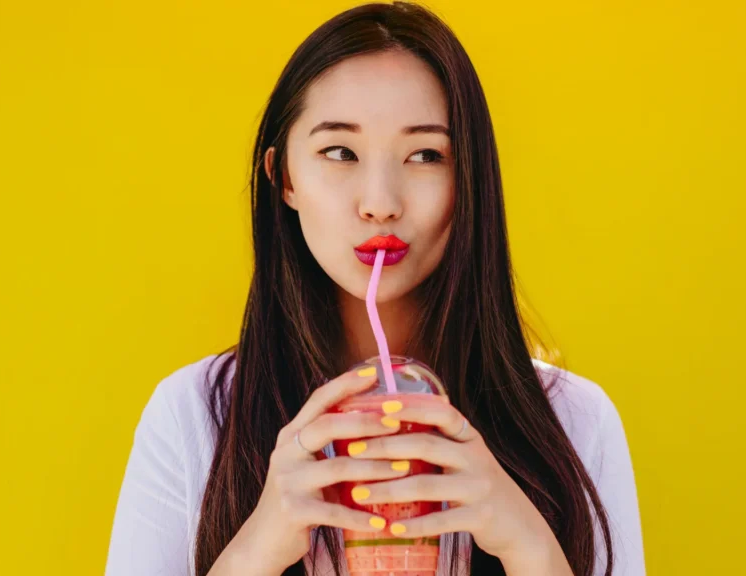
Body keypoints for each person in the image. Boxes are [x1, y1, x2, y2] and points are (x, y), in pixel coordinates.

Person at [104, 2, 644, 575]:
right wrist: (256, 549)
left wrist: (529, 547)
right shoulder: (194, 418)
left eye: (425, 155)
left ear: (470, 180)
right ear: (283, 177)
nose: (381, 203)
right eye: (340, 152)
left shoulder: (576, 423)